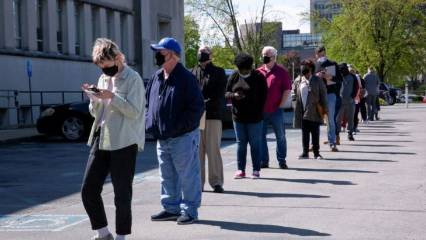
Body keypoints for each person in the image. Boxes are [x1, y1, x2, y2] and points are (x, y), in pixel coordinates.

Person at [81, 38, 146, 240]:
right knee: (88, 189)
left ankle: (121, 237)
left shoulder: (133, 78)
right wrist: (94, 99)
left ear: (118, 58)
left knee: (122, 194)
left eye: (107, 66)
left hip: (124, 141)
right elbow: (97, 112)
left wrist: (111, 97)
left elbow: (135, 111)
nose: (105, 71)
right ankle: (103, 233)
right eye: (101, 68)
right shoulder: (102, 79)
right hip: (102, 137)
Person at [146, 37, 204, 224]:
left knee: (188, 176)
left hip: (182, 137)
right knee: (167, 176)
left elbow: (196, 108)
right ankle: (171, 208)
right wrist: (150, 123)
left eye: (160, 52)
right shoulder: (156, 77)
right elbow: (149, 103)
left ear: (172, 55)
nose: (157, 55)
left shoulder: (186, 78)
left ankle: (190, 211)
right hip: (162, 138)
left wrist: (179, 127)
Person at [225, 53, 267, 179]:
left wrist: (258, 110)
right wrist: (234, 96)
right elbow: (226, 93)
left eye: (245, 70)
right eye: (241, 70)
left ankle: (256, 170)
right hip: (238, 117)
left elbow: (264, 96)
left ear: (250, 67)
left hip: (255, 118)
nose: (243, 72)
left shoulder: (259, 77)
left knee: (255, 144)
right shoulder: (234, 76)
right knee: (240, 144)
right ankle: (240, 170)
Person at [191, 46, 227, 193]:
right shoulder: (192, 72)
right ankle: (198, 183)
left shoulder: (219, 72)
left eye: (205, 52)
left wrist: (203, 103)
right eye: (200, 52)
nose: (202, 54)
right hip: (196, 117)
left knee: (213, 150)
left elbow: (219, 95)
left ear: (211, 55)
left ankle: (216, 182)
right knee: (197, 152)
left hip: (212, 115)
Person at [257, 46, 291, 169]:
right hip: (261, 111)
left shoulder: (282, 72)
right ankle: (263, 161)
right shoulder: (258, 71)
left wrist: (281, 105)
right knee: (261, 136)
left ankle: (282, 160)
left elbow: (287, 90)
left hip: (276, 110)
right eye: (263, 54)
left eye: (267, 55)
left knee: (280, 136)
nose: (264, 57)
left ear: (274, 57)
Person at [293, 59, 328, 160]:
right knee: (305, 133)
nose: (303, 69)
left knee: (315, 132)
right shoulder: (298, 80)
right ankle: (305, 152)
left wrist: (325, 110)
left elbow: (323, 95)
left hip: (315, 110)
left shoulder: (318, 80)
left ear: (311, 69)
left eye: (306, 67)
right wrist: (295, 104)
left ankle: (317, 153)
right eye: (302, 67)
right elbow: (294, 93)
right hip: (302, 110)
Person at [315, 46, 342, 151]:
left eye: (322, 53)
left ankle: (332, 142)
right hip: (317, 95)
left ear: (325, 53)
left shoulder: (332, 64)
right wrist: (316, 76)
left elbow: (340, 79)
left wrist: (330, 77)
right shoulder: (314, 65)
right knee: (315, 120)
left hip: (330, 94)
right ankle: (314, 144)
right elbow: (308, 79)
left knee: (330, 119)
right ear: (316, 55)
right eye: (319, 54)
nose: (321, 56)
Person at [336, 63, 358, 141]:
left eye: (342, 70)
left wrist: (352, 96)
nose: (341, 71)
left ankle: (350, 133)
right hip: (340, 101)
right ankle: (337, 134)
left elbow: (356, 87)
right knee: (338, 118)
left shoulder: (353, 77)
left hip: (350, 101)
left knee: (350, 118)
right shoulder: (338, 77)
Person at [349, 65, 362, 134]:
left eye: (351, 71)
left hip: (355, 98)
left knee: (355, 114)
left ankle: (354, 127)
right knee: (352, 114)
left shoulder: (356, 77)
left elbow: (359, 88)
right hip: (351, 98)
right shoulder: (346, 77)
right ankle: (352, 128)